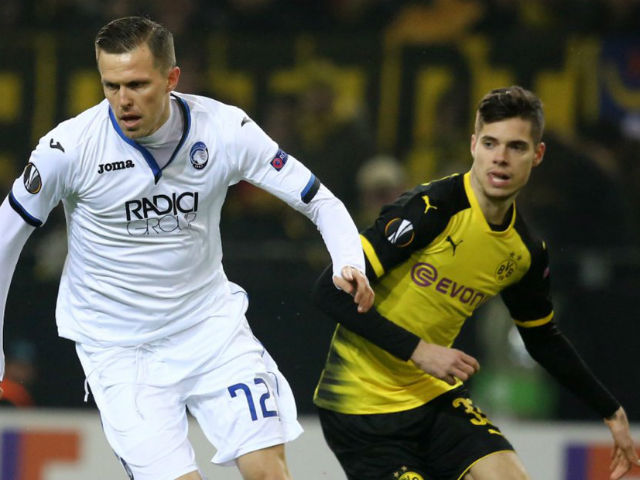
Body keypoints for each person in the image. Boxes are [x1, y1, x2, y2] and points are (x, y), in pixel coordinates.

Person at [0, 16, 373, 480]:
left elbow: (319, 200)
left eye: (137, 84)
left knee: (268, 472)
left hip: (210, 330)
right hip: (120, 351)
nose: (123, 100)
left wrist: (348, 261)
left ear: (171, 78)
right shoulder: (70, 149)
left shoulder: (224, 129)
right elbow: (6, 236)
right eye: (111, 85)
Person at [312, 86, 640, 480]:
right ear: (473, 146)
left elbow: (542, 339)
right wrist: (419, 351)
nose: (501, 157)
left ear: (537, 155)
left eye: (516, 147)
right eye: (490, 143)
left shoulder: (524, 251)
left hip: (433, 400)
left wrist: (610, 410)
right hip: (360, 408)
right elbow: (329, 292)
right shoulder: (430, 209)